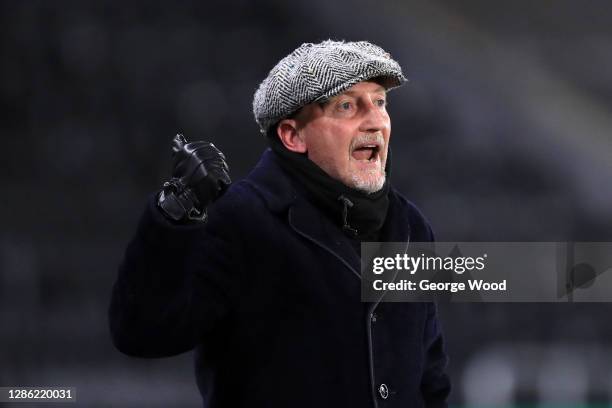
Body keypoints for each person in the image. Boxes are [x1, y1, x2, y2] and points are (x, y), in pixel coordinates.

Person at [109, 39, 450, 408]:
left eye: (380, 102)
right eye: (347, 105)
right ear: (293, 135)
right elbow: (142, 331)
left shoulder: (409, 226)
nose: (374, 120)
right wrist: (173, 213)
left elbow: (429, 378)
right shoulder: (242, 220)